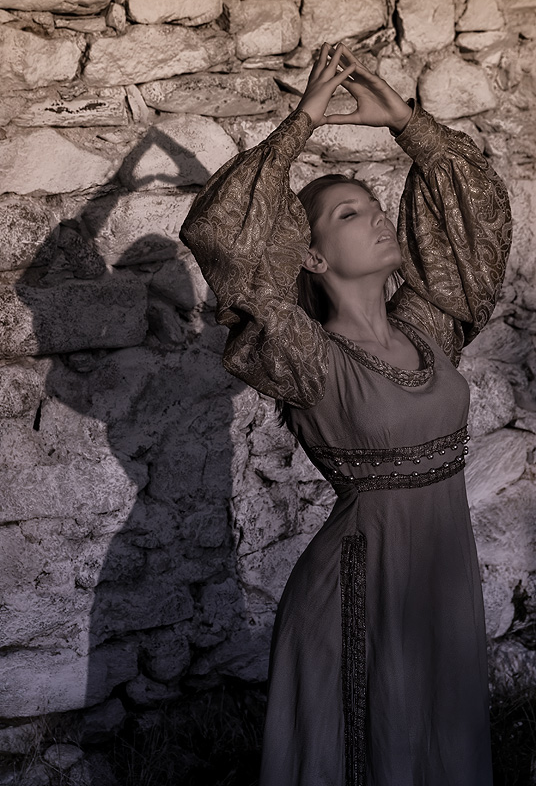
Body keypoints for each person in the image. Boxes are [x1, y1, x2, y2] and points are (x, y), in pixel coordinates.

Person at [180, 42, 512, 786]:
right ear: (312, 256)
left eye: (373, 205)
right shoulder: (304, 353)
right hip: (362, 594)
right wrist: (300, 122)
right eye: (349, 214)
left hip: (442, 586)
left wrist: (405, 122)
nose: (378, 219)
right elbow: (228, 236)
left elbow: (477, 219)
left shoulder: (428, 325)